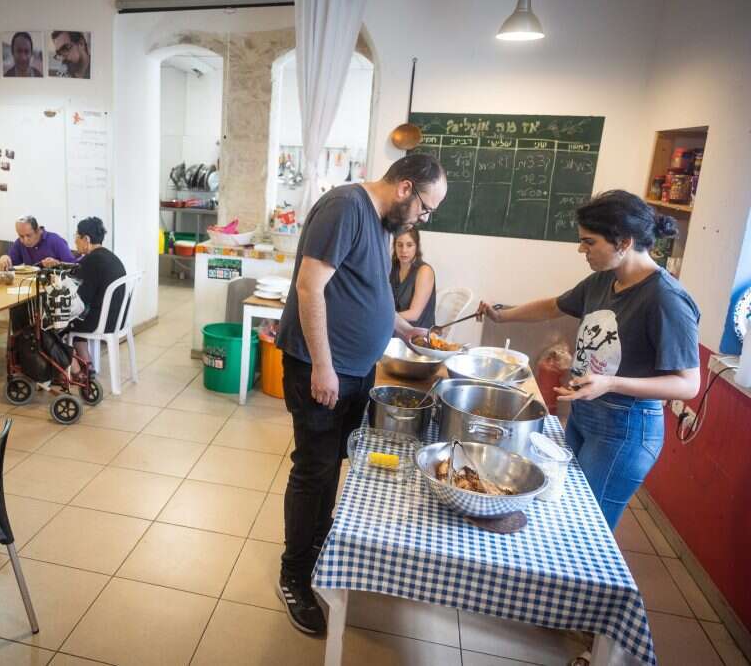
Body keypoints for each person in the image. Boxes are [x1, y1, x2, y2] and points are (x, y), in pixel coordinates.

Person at [273, 153, 447, 635]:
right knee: (315, 466)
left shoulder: (381, 222)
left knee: (336, 460)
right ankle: (293, 573)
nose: (424, 219)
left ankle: (317, 539)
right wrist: (324, 367)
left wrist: (401, 328)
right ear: (407, 188)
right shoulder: (345, 207)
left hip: (356, 368)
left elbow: (365, 291)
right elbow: (310, 289)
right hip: (323, 369)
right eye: (427, 208)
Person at [478, 190, 700, 530]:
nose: (582, 250)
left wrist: (611, 382)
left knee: (584, 527)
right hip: (585, 417)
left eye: (589, 242)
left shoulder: (665, 298)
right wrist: (502, 316)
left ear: (623, 242)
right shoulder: (605, 280)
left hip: (625, 429)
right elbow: (554, 305)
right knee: (560, 509)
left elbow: (688, 384)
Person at [69, 217, 126, 376]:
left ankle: (76, 371)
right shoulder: (110, 257)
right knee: (72, 319)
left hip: (101, 321)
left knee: (55, 324)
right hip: (117, 318)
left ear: (86, 239)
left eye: (76, 236)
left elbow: (80, 300)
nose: (75, 241)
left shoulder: (91, 261)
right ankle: (87, 366)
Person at [390, 227, 436, 329]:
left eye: (409, 245)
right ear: (394, 246)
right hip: (396, 328)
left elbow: (414, 314)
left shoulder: (424, 271)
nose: (404, 250)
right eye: (399, 245)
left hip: (418, 336)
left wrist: (382, 317)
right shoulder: (392, 268)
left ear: (417, 247)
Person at [0, 215, 77, 269]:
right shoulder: (20, 242)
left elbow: (73, 268)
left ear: (38, 230)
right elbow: (11, 261)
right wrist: (5, 258)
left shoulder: (55, 241)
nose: (25, 240)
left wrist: (58, 264)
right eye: (21, 236)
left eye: (28, 235)